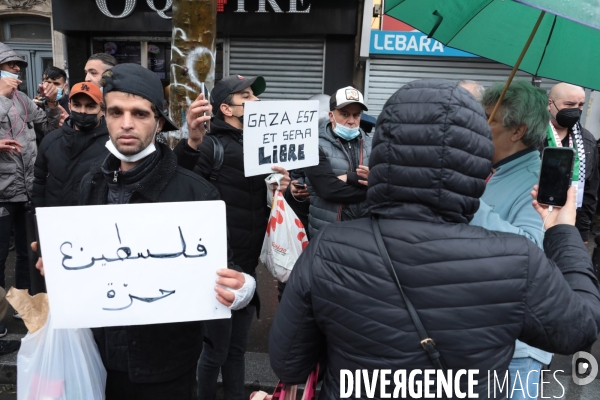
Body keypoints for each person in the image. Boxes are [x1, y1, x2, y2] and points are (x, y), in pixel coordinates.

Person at [268, 80, 600, 399]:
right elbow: (580, 326)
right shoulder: (516, 258)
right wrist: (562, 232)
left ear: (384, 149)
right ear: (473, 151)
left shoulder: (331, 248)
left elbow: (289, 362)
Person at [35, 63, 255, 400]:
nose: (126, 124)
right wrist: (60, 268)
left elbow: (227, 268)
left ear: (158, 121)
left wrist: (242, 288)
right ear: (104, 116)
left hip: (168, 368)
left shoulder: (195, 193)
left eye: (139, 113)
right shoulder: (90, 184)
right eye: (116, 112)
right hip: (98, 361)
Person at [173, 75, 290, 400]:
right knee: (214, 353)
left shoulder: (262, 145)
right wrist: (192, 143)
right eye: (247, 96)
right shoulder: (211, 145)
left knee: (236, 351)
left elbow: (263, 203)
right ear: (226, 107)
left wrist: (282, 189)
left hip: (247, 268)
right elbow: (182, 188)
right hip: (216, 269)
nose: (256, 102)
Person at [470, 80, 550, 399]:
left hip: (516, 351)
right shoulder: (495, 171)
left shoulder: (535, 183)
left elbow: (531, 249)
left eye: (489, 117)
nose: (480, 125)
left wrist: (468, 202)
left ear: (517, 131)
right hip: (487, 338)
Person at [0, 42, 62, 334]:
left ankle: (24, 311)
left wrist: (51, 104)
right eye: (9, 66)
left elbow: (49, 127)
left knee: (27, 253)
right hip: (1, 192)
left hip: (26, 189)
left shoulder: (23, 99)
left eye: (18, 67)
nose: (16, 71)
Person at [304, 86, 372, 238]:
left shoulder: (371, 145)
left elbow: (387, 181)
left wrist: (346, 178)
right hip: (327, 232)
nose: (351, 121)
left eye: (356, 115)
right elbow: (328, 189)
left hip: (364, 231)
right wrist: (360, 181)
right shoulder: (313, 145)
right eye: (344, 114)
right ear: (331, 115)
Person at [32, 82, 108, 209]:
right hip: (55, 221)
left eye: (90, 106)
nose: (83, 111)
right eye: (77, 105)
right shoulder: (50, 141)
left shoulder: (111, 147)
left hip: (94, 223)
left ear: (102, 110)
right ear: (69, 106)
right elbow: (39, 184)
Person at [543, 82, 599, 243]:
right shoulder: (532, 134)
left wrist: (582, 232)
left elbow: (590, 189)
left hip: (569, 223)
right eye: (569, 104)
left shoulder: (587, 140)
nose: (576, 109)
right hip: (533, 216)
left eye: (580, 105)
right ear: (550, 104)